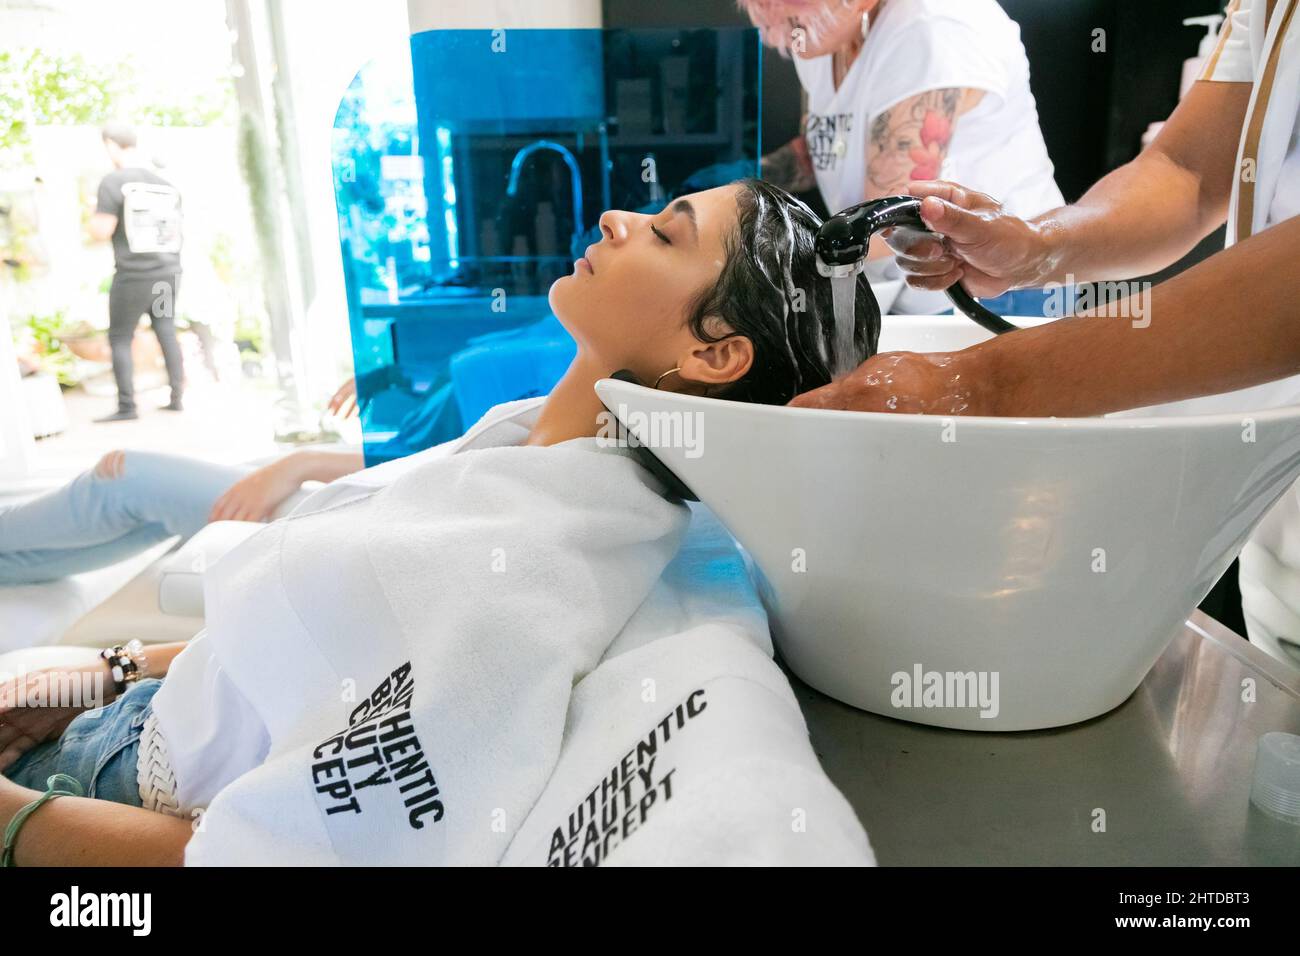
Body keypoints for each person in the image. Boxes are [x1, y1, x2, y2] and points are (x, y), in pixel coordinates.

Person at [0, 180, 875, 865]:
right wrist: (101, 674)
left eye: (665, 232)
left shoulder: (533, 567)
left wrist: (17, 820)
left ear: (713, 354)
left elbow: (263, 857)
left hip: (100, 800)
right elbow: (310, 657)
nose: (617, 218)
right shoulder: (526, 447)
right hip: (126, 709)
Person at [790, 0, 1300, 662]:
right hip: (1280, 545)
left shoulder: (935, 30)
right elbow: (1190, 172)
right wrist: (1039, 246)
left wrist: (984, 386)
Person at [740, 0, 1065, 315]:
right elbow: (826, 145)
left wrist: (745, 261)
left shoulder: (930, 30)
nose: (775, 39)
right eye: (765, 17)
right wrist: (736, 181)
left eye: (791, 22)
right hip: (913, 284)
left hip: (1001, 289)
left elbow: (891, 213)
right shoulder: (822, 33)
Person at [0, 379, 365, 586]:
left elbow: (421, 464)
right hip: (358, 490)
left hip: (357, 511)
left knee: (123, 479)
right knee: (152, 509)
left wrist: (303, 463)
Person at [88, 123, 185, 422]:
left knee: (119, 337)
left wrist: (89, 213)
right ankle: (177, 398)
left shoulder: (113, 182)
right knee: (166, 329)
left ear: (112, 145)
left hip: (133, 276)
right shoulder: (164, 184)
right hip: (167, 273)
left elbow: (100, 231)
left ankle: (127, 407)